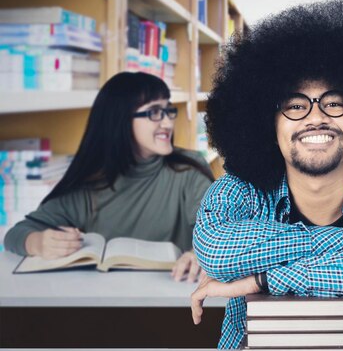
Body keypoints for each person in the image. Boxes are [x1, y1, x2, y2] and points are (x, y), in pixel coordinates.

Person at [189, 0, 343, 349]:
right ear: (266, 123)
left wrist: (261, 279)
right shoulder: (238, 192)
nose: (316, 117)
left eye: (334, 102)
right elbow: (216, 252)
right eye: (295, 105)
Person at [4, 72, 214, 282]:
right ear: (120, 119)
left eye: (168, 111)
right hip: (104, 306)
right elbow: (15, 234)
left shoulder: (189, 169)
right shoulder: (91, 185)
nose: (168, 123)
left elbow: (218, 230)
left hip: (176, 299)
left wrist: (201, 254)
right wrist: (38, 242)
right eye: (154, 112)